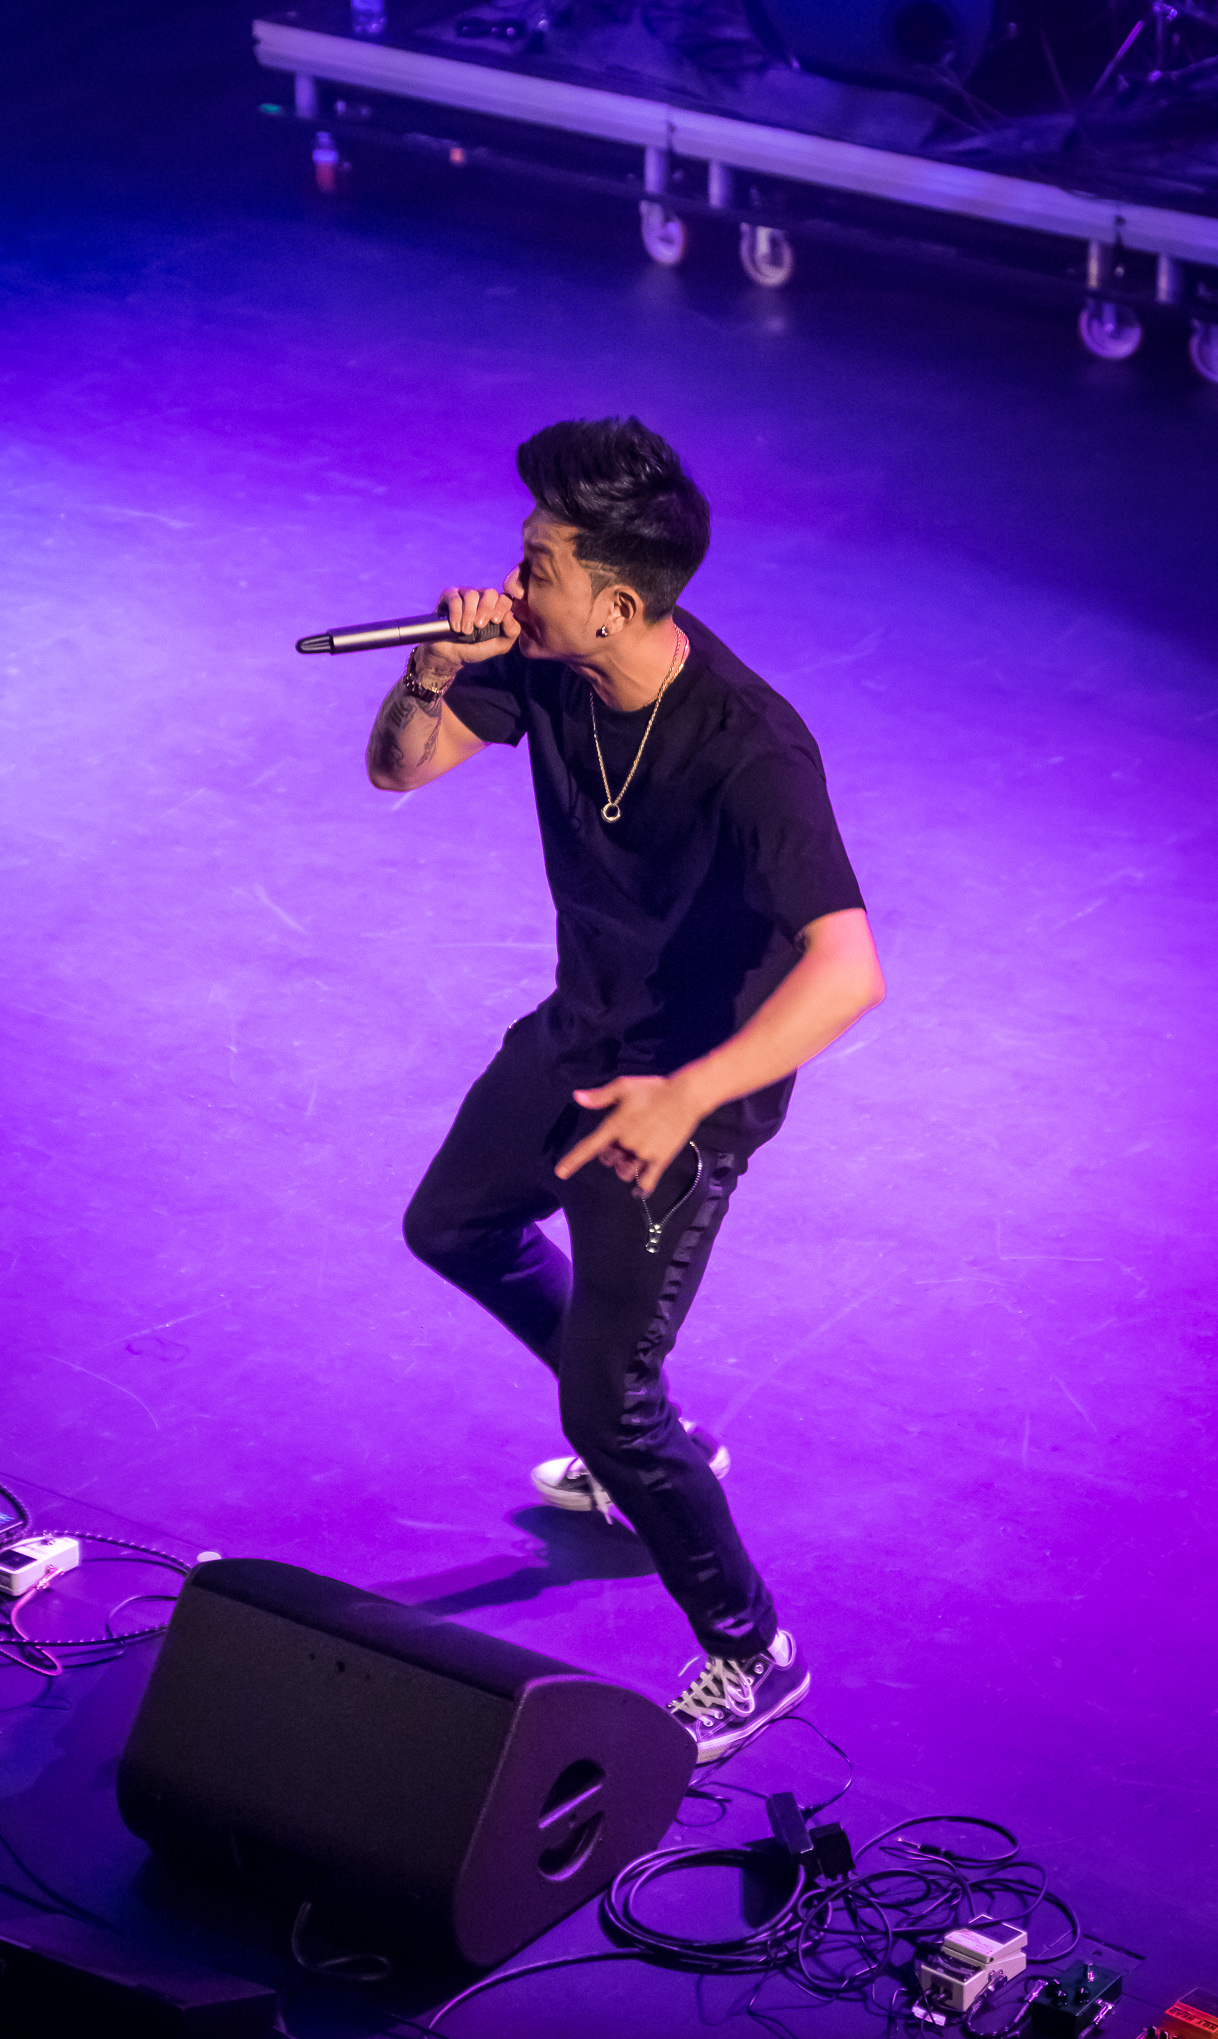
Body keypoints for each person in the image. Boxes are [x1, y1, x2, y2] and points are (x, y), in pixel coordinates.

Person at [366, 417, 883, 1763]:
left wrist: (683, 1098)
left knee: (605, 1403)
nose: (509, 581)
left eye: (535, 563)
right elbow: (396, 768)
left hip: (682, 1112)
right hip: (577, 1035)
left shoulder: (749, 747)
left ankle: (752, 1649)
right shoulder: (543, 668)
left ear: (613, 602)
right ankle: (656, 1440)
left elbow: (848, 969)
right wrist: (431, 671)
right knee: (450, 1225)